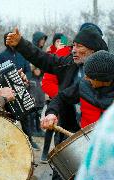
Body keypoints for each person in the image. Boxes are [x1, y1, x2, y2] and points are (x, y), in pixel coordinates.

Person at [6, 25, 108, 180]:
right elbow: (43, 59)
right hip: (68, 137)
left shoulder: (111, 72)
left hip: (98, 142)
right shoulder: (67, 62)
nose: (73, 50)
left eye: (79, 47)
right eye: (73, 45)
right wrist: (21, 44)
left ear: (93, 50)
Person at [41, 50, 114, 130]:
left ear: (103, 80)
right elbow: (61, 98)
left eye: (90, 77)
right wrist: (51, 113)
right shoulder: (85, 84)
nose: (86, 78)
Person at [0, 31, 39, 150]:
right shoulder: (0, 56)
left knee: (27, 115)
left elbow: (28, 71)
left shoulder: (22, 55)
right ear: (6, 42)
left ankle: (29, 138)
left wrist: (26, 80)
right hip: (7, 91)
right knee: (9, 116)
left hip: (23, 89)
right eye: (8, 40)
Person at [40, 33, 72, 163]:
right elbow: (46, 78)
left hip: (64, 96)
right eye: (57, 42)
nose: (60, 44)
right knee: (50, 126)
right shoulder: (50, 56)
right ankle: (44, 153)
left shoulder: (68, 56)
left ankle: (61, 156)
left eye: (62, 42)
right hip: (54, 97)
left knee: (62, 127)